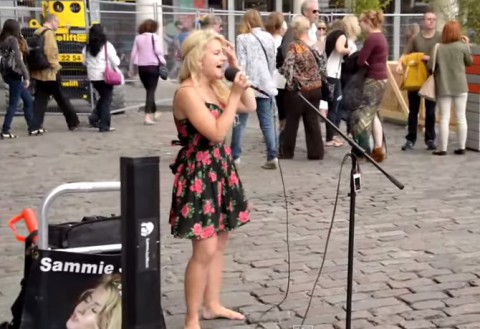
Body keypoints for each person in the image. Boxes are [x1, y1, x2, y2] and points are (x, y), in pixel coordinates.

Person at [168, 29, 256, 329]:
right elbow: (216, 133)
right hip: (199, 173)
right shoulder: (187, 93)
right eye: (216, 52)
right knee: (203, 249)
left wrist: (235, 66)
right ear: (197, 57)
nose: (221, 58)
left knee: (219, 242)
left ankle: (212, 304)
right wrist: (231, 95)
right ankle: (191, 318)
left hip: (220, 169)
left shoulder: (216, 86)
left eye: (223, 53)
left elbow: (251, 105)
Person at [230, 9, 278, 169]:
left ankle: (235, 156)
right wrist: (268, 77)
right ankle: (272, 156)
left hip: (248, 84)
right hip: (265, 83)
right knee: (267, 122)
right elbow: (272, 61)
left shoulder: (242, 38)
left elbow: (241, 63)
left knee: (240, 122)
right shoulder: (268, 37)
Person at [278, 16, 326, 160]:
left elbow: (288, 67)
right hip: (316, 88)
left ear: (296, 29)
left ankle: (287, 152)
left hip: (300, 90)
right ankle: (316, 152)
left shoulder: (295, 46)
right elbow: (322, 66)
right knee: (312, 122)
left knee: (292, 121)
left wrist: (281, 72)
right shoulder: (315, 44)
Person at [396, 10, 441, 151]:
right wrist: (399, 63)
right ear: (423, 21)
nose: (431, 21)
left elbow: (445, 53)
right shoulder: (416, 38)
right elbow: (406, 53)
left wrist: (429, 58)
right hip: (416, 78)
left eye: (433, 19)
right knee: (413, 110)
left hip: (432, 78)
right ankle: (410, 139)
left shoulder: (440, 37)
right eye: (428, 19)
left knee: (431, 111)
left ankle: (430, 139)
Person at [30, 14, 80, 133]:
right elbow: (51, 52)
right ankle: (73, 121)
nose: (58, 25)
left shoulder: (37, 32)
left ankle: (35, 125)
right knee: (62, 98)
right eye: (57, 22)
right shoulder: (49, 34)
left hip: (38, 72)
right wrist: (57, 67)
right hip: (50, 73)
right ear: (52, 21)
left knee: (39, 100)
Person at [351, 10, 389, 162]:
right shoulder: (381, 37)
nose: (360, 25)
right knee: (373, 114)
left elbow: (361, 60)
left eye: (361, 22)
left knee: (363, 115)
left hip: (373, 79)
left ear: (368, 22)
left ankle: (363, 149)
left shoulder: (372, 38)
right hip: (382, 78)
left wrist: (364, 62)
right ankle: (378, 148)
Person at [430, 21, 473, 156]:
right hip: (461, 86)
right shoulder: (462, 46)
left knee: (444, 118)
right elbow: (470, 62)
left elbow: (430, 65)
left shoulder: (438, 47)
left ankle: (442, 149)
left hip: (444, 86)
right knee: (461, 117)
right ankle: (461, 147)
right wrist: (467, 45)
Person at [82, 23, 121, 132]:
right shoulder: (107, 46)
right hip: (105, 76)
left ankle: (94, 118)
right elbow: (116, 62)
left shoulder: (87, 47)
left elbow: (84, 62)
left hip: (93, 77)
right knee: (106, 101)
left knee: (103, 98)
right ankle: (104, 125)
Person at [0, 19, 34, 138]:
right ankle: (5, 130)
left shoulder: (2, 40)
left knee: (28, 100)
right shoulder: (13, 40)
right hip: (15, 75)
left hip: (7, 74)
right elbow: (19, 60)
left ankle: (32, 127)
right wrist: (26, 76)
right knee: (14, 103)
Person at [129, 19, 166, 125]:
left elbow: (133, 54)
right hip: (153, 67)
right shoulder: (155, 37)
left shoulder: (138, 38)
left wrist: (132, 68)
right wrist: (163, 62)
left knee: (149, 91)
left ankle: (154, 112)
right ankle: (147, 116)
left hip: (142, 68)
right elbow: (158, 52)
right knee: (150, 91)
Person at [265, 12, 288, 132]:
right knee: (282, 107)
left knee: (270, 107)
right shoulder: (282, 42)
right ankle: (281, 129)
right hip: (280, 78)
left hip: (268, 77)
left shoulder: (266, 40)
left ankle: (271, 130)